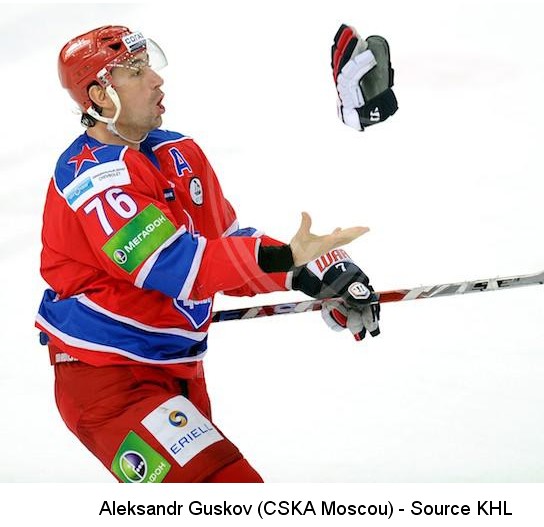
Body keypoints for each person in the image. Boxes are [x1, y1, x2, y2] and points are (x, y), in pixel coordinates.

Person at [35, 25, 380, 483]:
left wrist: (312, 275)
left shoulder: (178, 152)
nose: (156, 80)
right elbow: (177, 266)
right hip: (109, 382)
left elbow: (225, 245)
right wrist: (287, 260)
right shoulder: (95, 179)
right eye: (135, 72)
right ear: (99, 95)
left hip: (177, 370)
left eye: (148, 66)